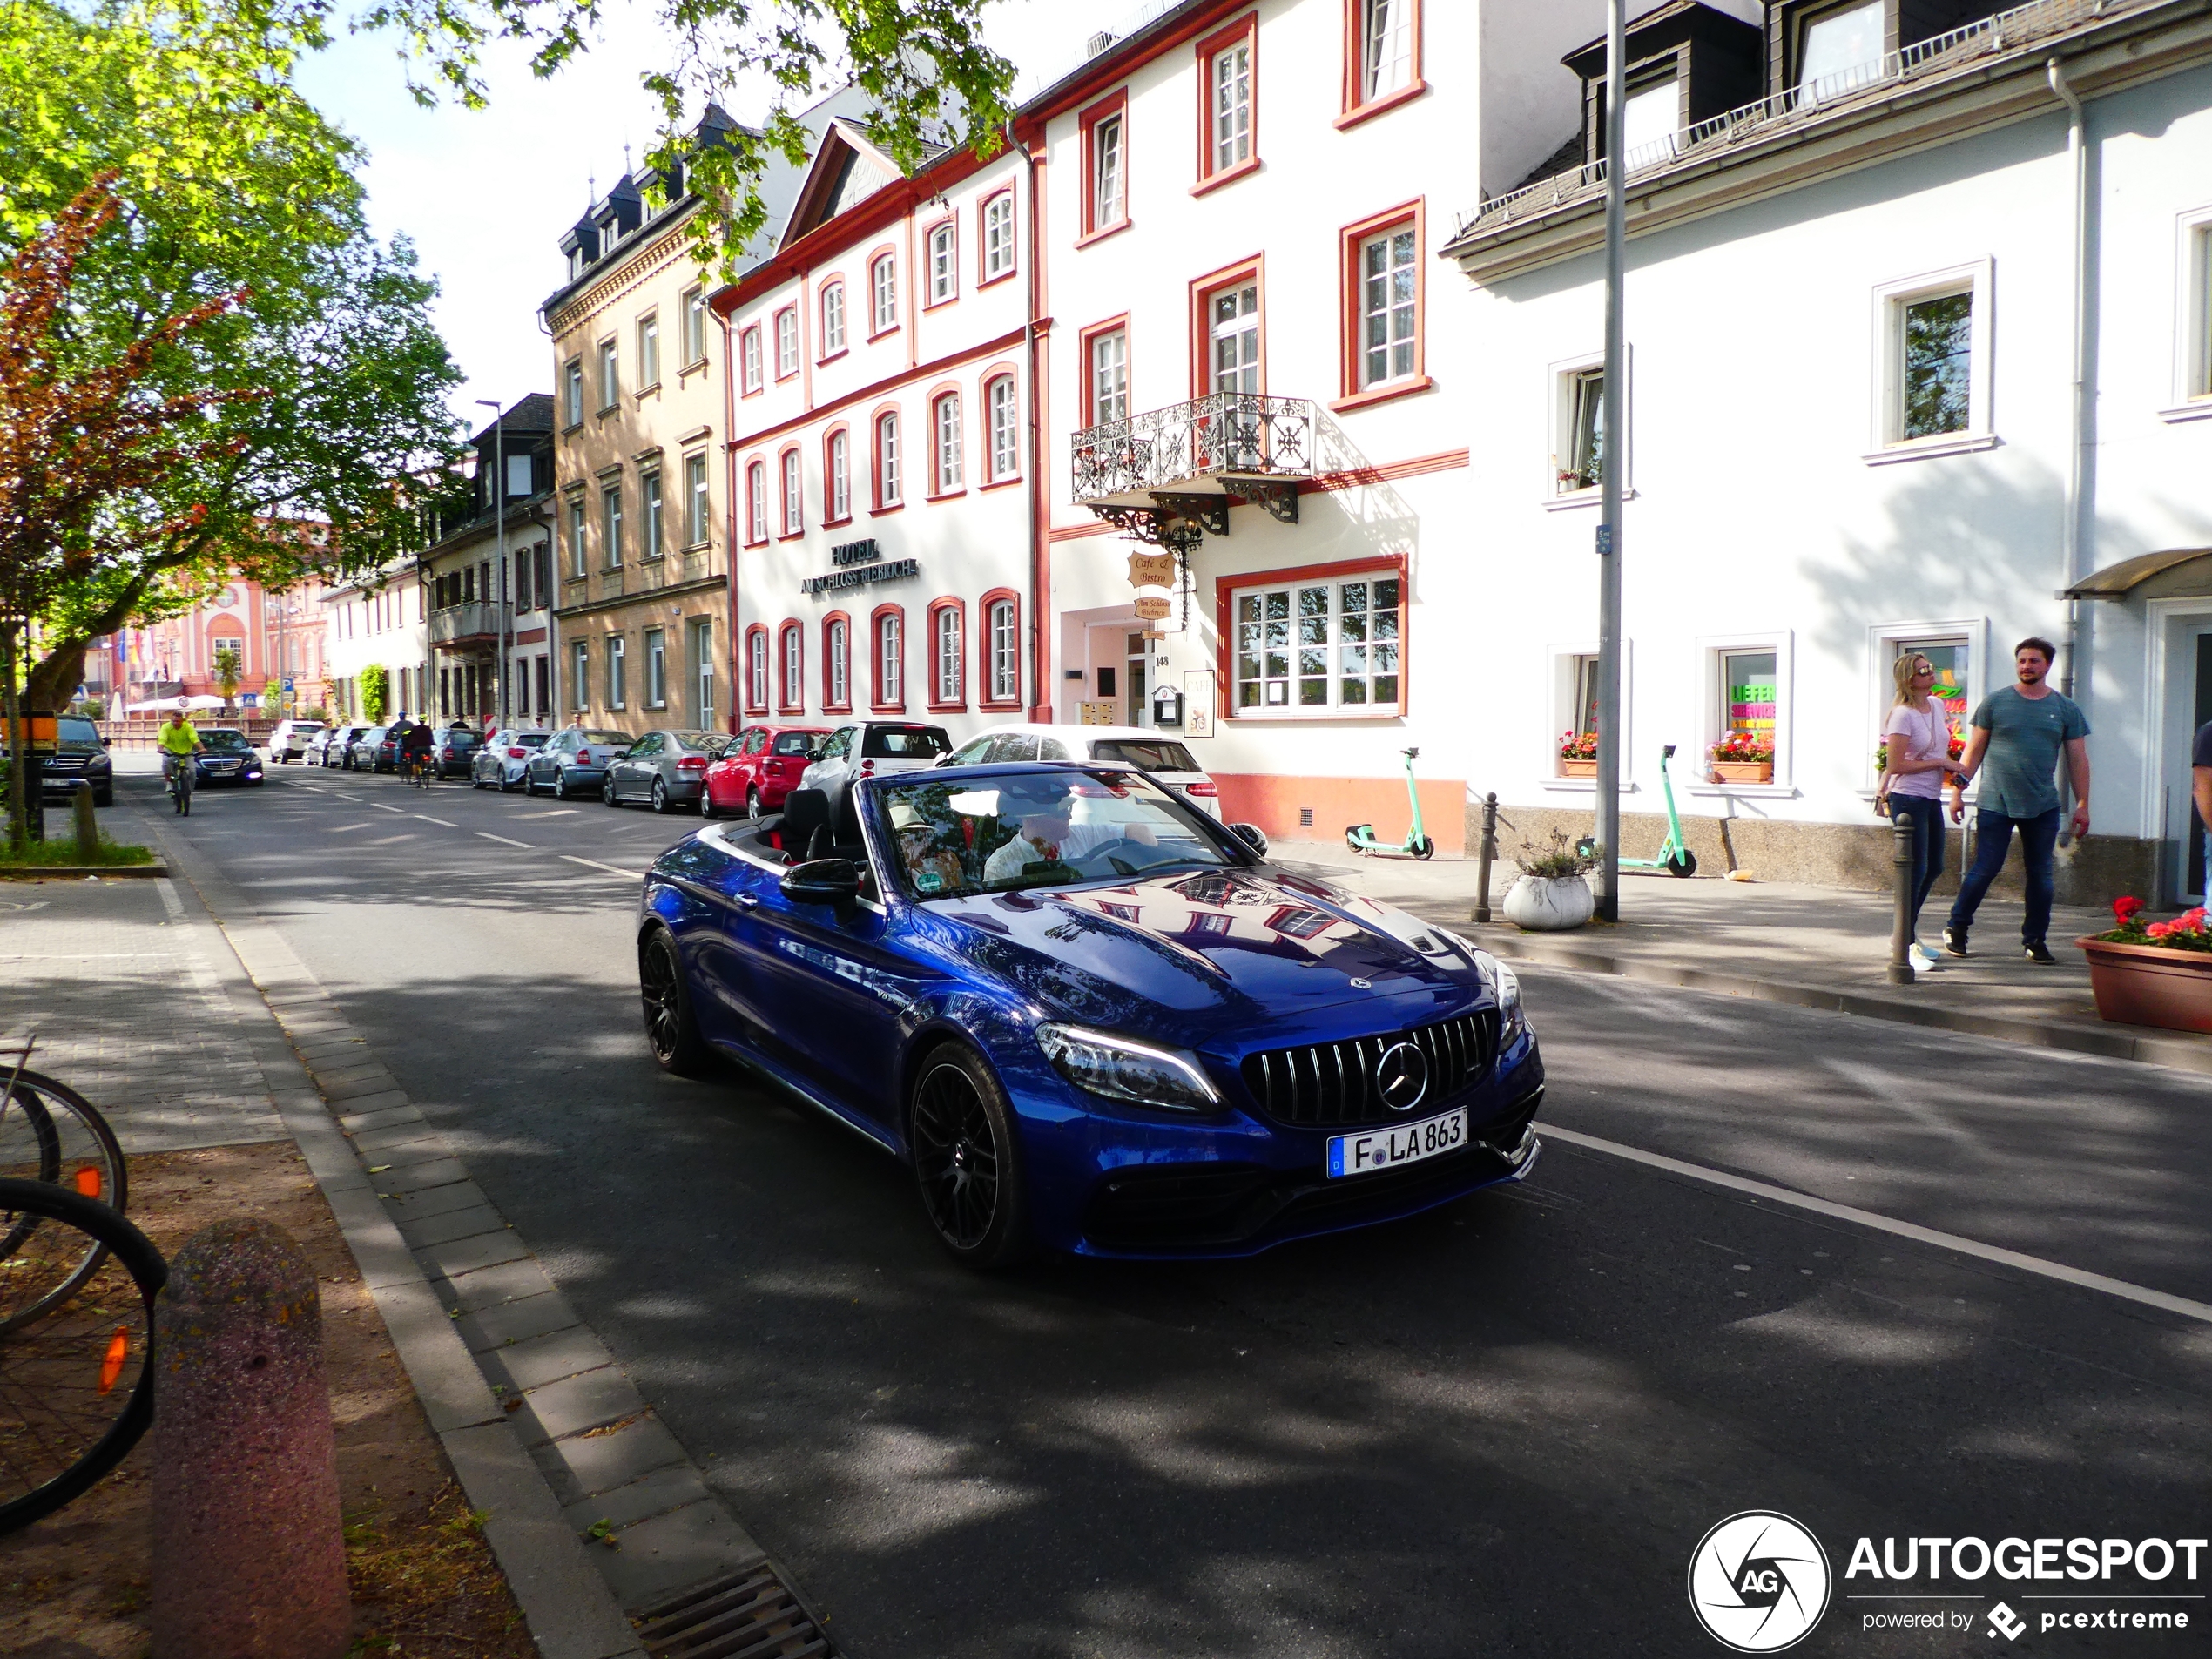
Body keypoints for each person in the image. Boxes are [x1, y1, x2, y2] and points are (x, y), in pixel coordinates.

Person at [1941, 637, 2091, 964]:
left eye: (2034, 661)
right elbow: (1973, 752)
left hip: (2042, 805)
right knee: (1986, 867)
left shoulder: (2065, 709)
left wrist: (2082, 804)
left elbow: (2078, 759)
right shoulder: (1996, 703)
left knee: (2041, 875)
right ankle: (1957, 928)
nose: (2027, 666)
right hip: (1996, 801)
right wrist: (1956, 793)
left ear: (2048, 666)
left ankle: (2035, 939)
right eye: (2022, 661)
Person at [1875, 652, 1966, 970]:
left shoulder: (1938, 705)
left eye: (1930, 668)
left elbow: (1939, 747)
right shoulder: (1902, 715)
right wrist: (1941, 763)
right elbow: (1896, 764)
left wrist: (1951, 771)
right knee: (1914, 871)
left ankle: (1905, 934)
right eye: (1923, 670)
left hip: (1929, 797)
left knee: (1934, 867)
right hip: (1907, 799)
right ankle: (1904, 941)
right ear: (1908, 679)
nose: (1931, 673)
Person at [156, 706, 201, 795]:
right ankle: (170, 782)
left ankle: (189, 792)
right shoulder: (166, 727)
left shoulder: (188, 727)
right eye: (174, 721)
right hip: (171, 751)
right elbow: (162, 739)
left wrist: (202, 748)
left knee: (192, 772)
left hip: (186, 752)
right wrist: (160, 748)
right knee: (166, 764)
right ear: (171, 720)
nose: (176, 723)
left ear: (183, 721)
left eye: (178, 721)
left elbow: (194, 739)